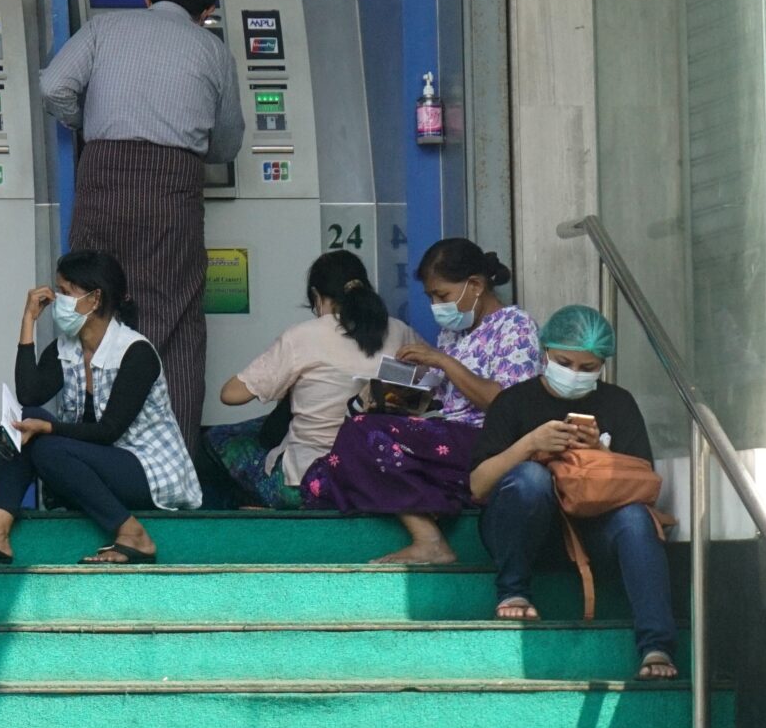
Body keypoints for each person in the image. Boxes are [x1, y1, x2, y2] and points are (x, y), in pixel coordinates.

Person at [38, 0, 244, 425]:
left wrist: (86, 125)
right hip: (173, 192)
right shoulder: (213, 50)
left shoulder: (104, 28)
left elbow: (53, 88)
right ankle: (171, 468)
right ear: (207, 12)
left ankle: (89, 448)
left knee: (91, 306)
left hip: (102, 181)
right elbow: (227, 143)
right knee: (174, 317)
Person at [0, 249, 201, 568]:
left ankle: (134, 535)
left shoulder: (136, 353)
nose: (58, 300)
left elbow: (109, 432)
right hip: (93, 465)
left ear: (94, 299)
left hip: (148, 471)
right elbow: (30, 394)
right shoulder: (67, 348)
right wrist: (27, 322)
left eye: (66, 292)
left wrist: (50, 429)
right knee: (27, 421)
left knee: (46, 445)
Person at [469, 304, 677, 682]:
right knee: (530, 478)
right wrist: (530, 444)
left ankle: (656, 645)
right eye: (565, 363)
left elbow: (642, 483)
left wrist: (600, 452)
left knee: (635, 519)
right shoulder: (513, 401)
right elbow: (479, 486)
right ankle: (513, 591)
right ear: (545, 352)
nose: (575, 375)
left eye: (588, 368)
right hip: (526, 529)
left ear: (602, 366)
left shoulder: (618, 403)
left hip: (592, 532)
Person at [303, 236, 540, 563]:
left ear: (475, 285)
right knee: (320, 479)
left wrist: (443, 362)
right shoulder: (453, 334)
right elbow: (443, 398)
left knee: (359, 435)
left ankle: (430, 541)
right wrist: (394, 398)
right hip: (445, 435)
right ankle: (434, 501)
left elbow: (508, 405)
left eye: (441, 295)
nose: (436, 306)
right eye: (430, 297)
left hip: (488, 442)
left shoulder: (515, 325)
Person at [210, 250, 420, 508]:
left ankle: (254, 510)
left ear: (317, 297)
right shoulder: (400, 331)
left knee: (218, 439)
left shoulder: (303, 336)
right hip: (379, 471)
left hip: (309, 479)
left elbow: (231, 395)